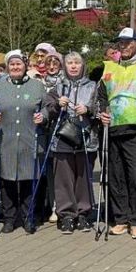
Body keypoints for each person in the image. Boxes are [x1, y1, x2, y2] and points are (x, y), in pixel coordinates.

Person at [0, 51, 57, 233]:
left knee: (28, 180)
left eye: (19, 64)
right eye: (12, 65)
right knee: (7, 181)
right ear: (7, 67)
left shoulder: (37, 86)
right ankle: (9, 219)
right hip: (6, 140)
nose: (15, 67)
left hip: (29, 139)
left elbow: (47, 107)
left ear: (25, 66)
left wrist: (44, 116)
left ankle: (28, 217)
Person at [97, 28, 136, 238]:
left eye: (129, 42)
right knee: (116, 175)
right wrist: (101, 112)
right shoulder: (109, 68)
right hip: (112, 128)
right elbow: (101, 96)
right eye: (121, 42)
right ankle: (120, 218)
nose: (124, 46)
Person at [52, 52, 98, 233]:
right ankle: (66, 215)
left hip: (85, 137)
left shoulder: (93, 86)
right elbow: (48, 109)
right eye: (69, 63)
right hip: (62, 137)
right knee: (63, 179)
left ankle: (84, 213)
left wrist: (87, 109)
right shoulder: (58, 86)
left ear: (82, 65)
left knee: (83, 178)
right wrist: (57, 105)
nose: (73, 66)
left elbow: (101, 107)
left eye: (77, 63)